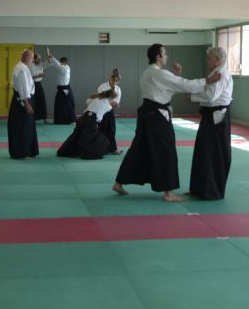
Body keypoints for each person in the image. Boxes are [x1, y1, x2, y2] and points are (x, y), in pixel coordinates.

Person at [112, 43, 221, 202]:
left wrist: (176, 75)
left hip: (146, 114)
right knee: (166, 150)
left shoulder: (148, 72)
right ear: (158, 56)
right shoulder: (160, 73)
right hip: (157, 116)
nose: (167, 56)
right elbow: (186, 85)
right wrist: (209, 80)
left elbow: (169, 88)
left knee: (139, 149)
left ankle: (118, 183)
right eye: (165, 53)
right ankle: (168, 193)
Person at [188, 46, 233, 199]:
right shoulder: (214, 73)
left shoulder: (221, 74)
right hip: (210, 116)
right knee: (203, 152)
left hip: (217, 118)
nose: (206, 61)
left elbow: (211, 96)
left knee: (213, 153)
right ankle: (199, 189)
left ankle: (211, 191)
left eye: (209, 58)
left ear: (217, 60)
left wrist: (192, 98)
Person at [57, 89, 117, 159]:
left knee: (76, 136)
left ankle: (65, 151)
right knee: (101, 141)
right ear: (110, 97)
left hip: (83, 118)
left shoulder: (95, 98)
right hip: (91, 122)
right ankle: (87, 153)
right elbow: (106, 120)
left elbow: (87, 101)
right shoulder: (108, 106)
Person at [7, 49, 39, 159]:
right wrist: (26, 104)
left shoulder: (20, 67)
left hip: (22, 99)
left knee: (23, 126)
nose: (33, 60)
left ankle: (25, 151)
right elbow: (22, 88)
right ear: (27, 57)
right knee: (23, 127)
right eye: (32, 58)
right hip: (23, 100)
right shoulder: (22, 69)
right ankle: (22, 152)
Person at [97, 68, 123, 155]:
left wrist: (114, 103)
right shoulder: (102, 86)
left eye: (116, 81)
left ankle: (113, 149)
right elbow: (101, 99)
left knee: (111, 130)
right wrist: (111, 102)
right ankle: (100, 148)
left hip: (109, 111)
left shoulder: (118, 89)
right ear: (110, 78)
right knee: (101, 130)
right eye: (113, 80)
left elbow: (116, 102)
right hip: (101, 110)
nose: (114, 82)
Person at [46, 52, 76, 124]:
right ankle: (60, 120)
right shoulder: (62, 67)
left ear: (64, 62)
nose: (60, 63)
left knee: (68, 104)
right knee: (59, 105)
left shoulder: (65, 68)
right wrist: (50, 60)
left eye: (61, 62)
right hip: (61, 88)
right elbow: (56, 66)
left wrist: (52, 57)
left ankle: (71, 120)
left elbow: (58, 65)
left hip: (65, 89)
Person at [28, 53, 49, 123]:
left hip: (39, 84)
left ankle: (44, 118)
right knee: (33, 101)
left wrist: (48, 57)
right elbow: (28, 77)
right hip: (31, 84)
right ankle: (32, 118)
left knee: (42, 100)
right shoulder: (30, 65)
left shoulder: (40, 64)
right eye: (38, 59)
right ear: (34, 59)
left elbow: (48, 63)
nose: (40, 60)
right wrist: (37, 76)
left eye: (40, 59)